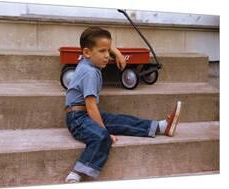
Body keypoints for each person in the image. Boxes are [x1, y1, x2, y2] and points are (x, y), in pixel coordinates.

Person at [64, 26, 181, 183]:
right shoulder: (89, 72)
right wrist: (103, 129)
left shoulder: (89, 63)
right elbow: (91, 106)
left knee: (120, 120)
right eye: (102, 52)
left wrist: (117, 53)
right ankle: (77, 173)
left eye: (108, 51)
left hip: (84, 114)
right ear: (86, 52)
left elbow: (104, 43)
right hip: (78, 119)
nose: (107, 56)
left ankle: (160, 126)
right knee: (102, 136)